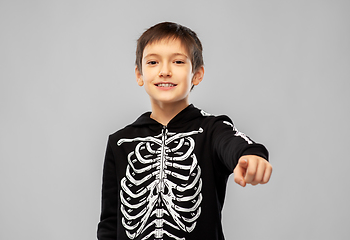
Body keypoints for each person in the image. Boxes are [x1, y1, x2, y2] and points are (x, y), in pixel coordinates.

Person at [97, 22, 272, 240]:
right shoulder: (120, 141)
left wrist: (251, 155)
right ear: (139, 74)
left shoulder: (212, 130)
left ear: (197, 75)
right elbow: (110, 222)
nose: (164, 71)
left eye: (178, 62)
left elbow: (236, 144)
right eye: (153, 62)